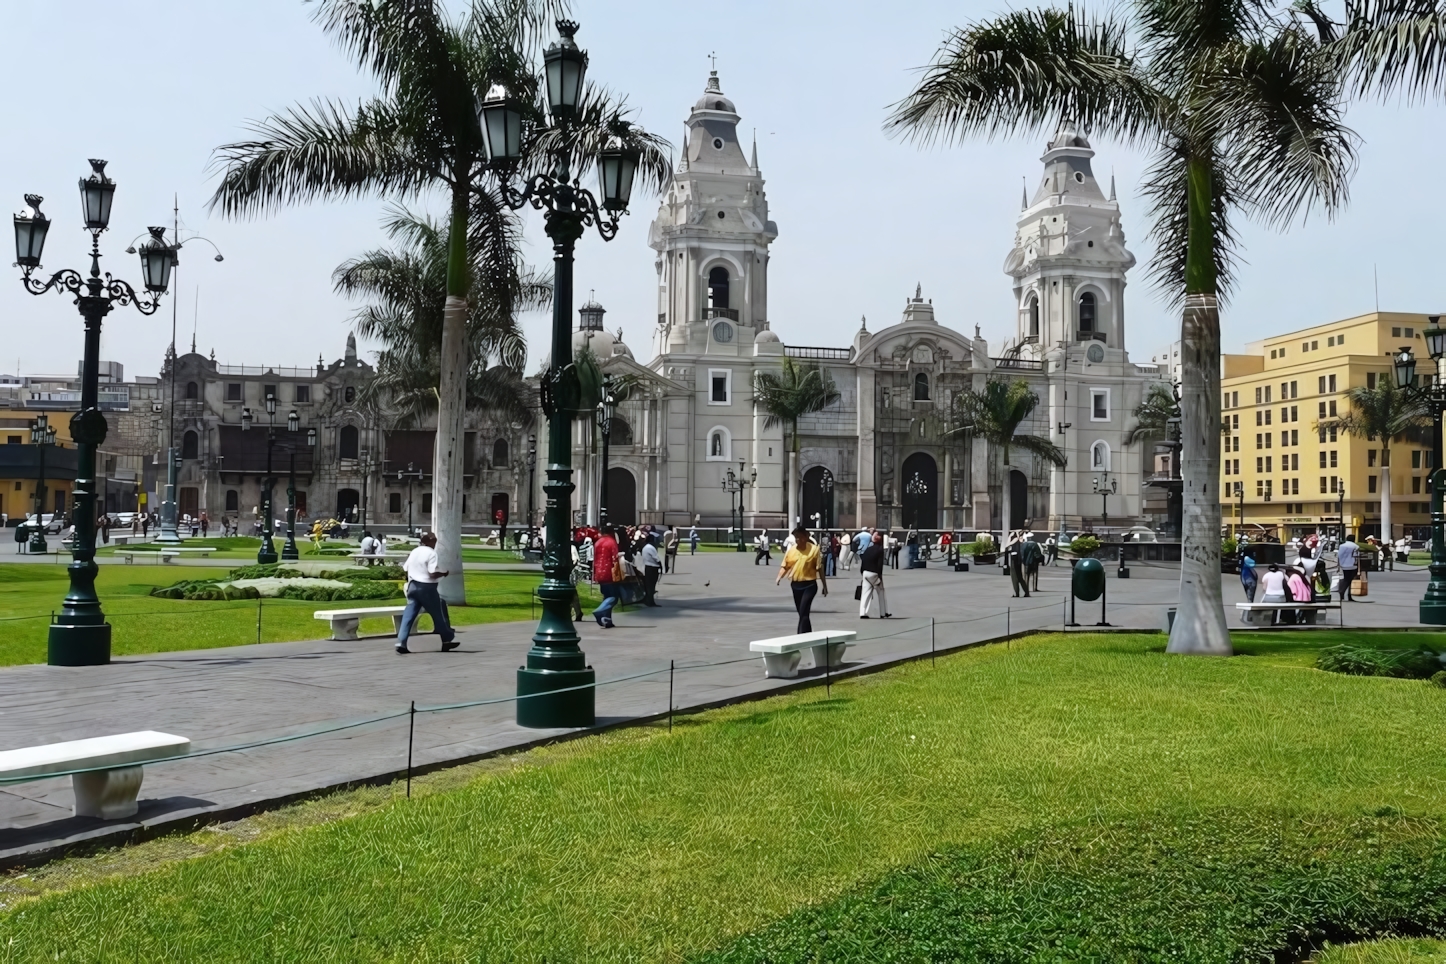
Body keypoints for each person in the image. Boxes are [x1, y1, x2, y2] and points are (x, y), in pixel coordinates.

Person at [396, 532, 457, 654]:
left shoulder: (415, 551)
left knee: (408, 616)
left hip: (413, 586)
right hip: (427, 588)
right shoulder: (431, 553)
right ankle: (448, 637)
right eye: (434, 541)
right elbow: (432, 573)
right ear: (429, 542)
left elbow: (405, 568)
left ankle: (401, 642)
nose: (435, 544)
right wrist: (444, 573)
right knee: (438, 615)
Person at [776, 524, 827, 634]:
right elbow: (786, 566)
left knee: (803, 610)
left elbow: (819, 569)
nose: (798, 540)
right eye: (796, 538)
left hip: (810, 585)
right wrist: (779, 577)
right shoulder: (792, 551)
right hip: (795, 585)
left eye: (800, 537)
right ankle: (808, 634)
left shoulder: (814, 550)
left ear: (806, 537)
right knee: (802, 613)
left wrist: (824, 586)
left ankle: (800, 635)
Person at [591, 525, 621, 628]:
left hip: (599, 572)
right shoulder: (611, 542)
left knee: (606, 596)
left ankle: (607, 620)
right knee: (614, 597)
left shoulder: (598, 542)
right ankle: (600, 611)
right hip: (610, 573)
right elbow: (615, 557)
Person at [859, 530, 891, 619]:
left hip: (865, 573)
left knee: (865, 593)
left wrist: (862, 572)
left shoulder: (868, 549)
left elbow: (863, 560)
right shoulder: (880, 550)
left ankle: (863, 612)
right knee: (881, 592)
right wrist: (880, 576)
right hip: (874, 573)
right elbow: (879, 564)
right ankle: (883, 612)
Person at [640, 537, 662, 607]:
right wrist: (661, 566)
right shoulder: (651, 548)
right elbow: (656, 558)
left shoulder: (645, 547)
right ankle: (650, 602)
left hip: (648, 567)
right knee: (651, 586)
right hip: (652, 568)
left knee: (649, 585)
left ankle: (649, 600)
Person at [1337, 535, 1360, 602]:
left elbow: (1339, 555)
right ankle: (1344, 592)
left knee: (1346, 579)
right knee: (1349, 580)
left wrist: (1338, 565)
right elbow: (1357, 557)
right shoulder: (1356, 546)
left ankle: (1344, 593)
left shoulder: (1342, 546)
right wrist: (1359, 568)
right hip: (1352, 565)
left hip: (1344, 565)